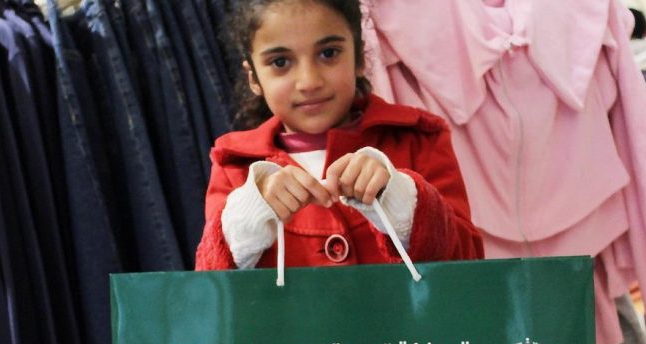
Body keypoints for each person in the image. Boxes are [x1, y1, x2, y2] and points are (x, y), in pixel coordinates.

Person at [195, 0, 483, 271]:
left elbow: (468, 266)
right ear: (254, 78)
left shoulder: (420, 140)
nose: (309, 82)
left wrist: (401, 200)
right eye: (280, 62)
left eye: (328, 54)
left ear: (358, 56)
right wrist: (250, 214)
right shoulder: (234, 166)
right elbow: (210, 285)